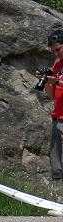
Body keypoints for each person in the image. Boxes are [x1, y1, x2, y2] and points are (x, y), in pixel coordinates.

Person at [45, 29, 63, 180]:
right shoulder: (57, 64)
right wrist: (45, 81)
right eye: (53, 51)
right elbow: (51, 95)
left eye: (58, 49)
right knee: (57, 169)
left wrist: (56, 81)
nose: (56, 53)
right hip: (57, 118)